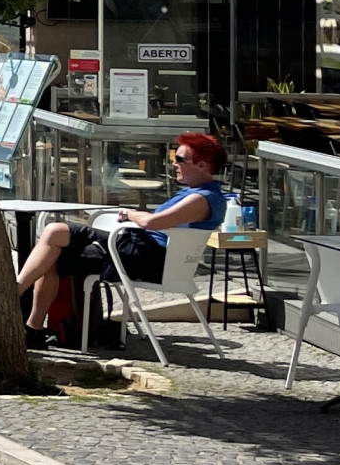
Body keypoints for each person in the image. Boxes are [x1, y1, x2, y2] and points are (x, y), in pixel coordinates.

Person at [12, 132, 229, 348]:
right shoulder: (200, 194)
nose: (174, 163)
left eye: (180, 159)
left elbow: (151, 222)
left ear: (202, 165)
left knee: (54, 234)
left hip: (146, 257)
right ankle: (32, 325)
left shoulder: (201, 199)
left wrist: (130, 213)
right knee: (54, 247)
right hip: (141, 251)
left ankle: (15, 295)